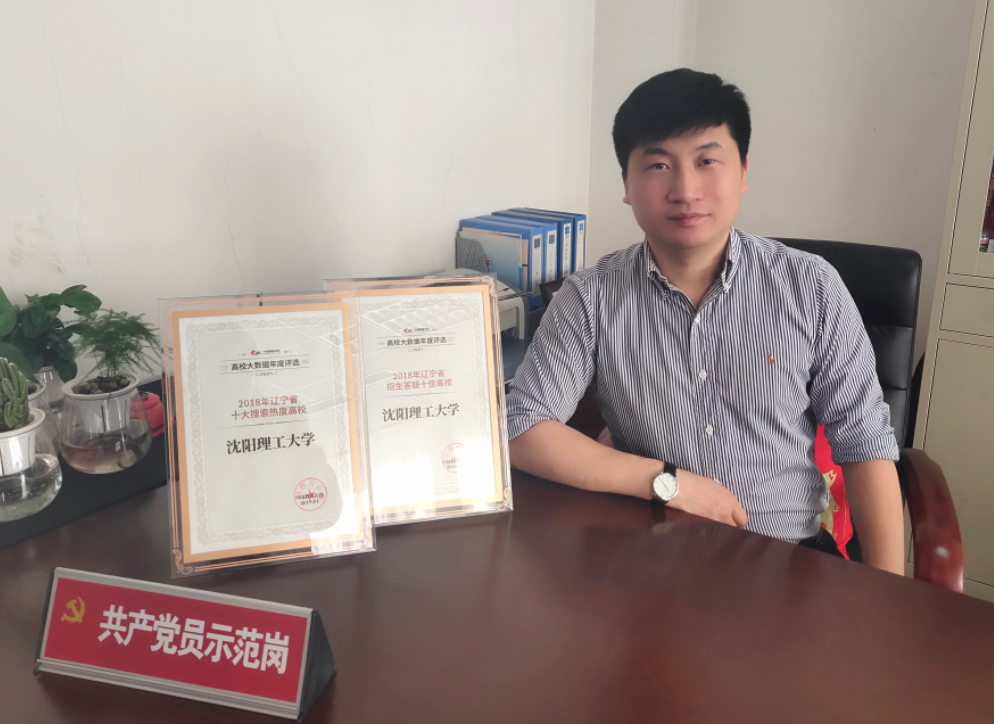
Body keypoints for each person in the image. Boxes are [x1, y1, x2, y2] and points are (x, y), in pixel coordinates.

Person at [506, 68, 905, 575]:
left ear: (742, 171)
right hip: (649, 557)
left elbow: (864, 444)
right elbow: (521, 426)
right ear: (626, 184)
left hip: (787, 560)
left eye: (707, 161)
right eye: (658, 165)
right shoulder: (590, 296)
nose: (686, 190)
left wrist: (889, 599)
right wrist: (667, 482)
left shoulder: (812, 287)